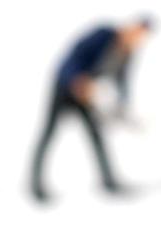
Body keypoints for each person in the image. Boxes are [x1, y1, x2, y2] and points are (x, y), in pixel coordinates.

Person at [29, 17, 153, 202]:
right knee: (49, 133)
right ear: (132, 27)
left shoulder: (126, 53)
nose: (137, 40)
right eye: (137, 34)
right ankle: (36, 186)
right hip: (64, 88)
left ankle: (108, 182)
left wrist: (124, 108)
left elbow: (122, 82)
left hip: (85, 96)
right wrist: (76, 80)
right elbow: (73, 55)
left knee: (96, 136)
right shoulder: (103, 34)